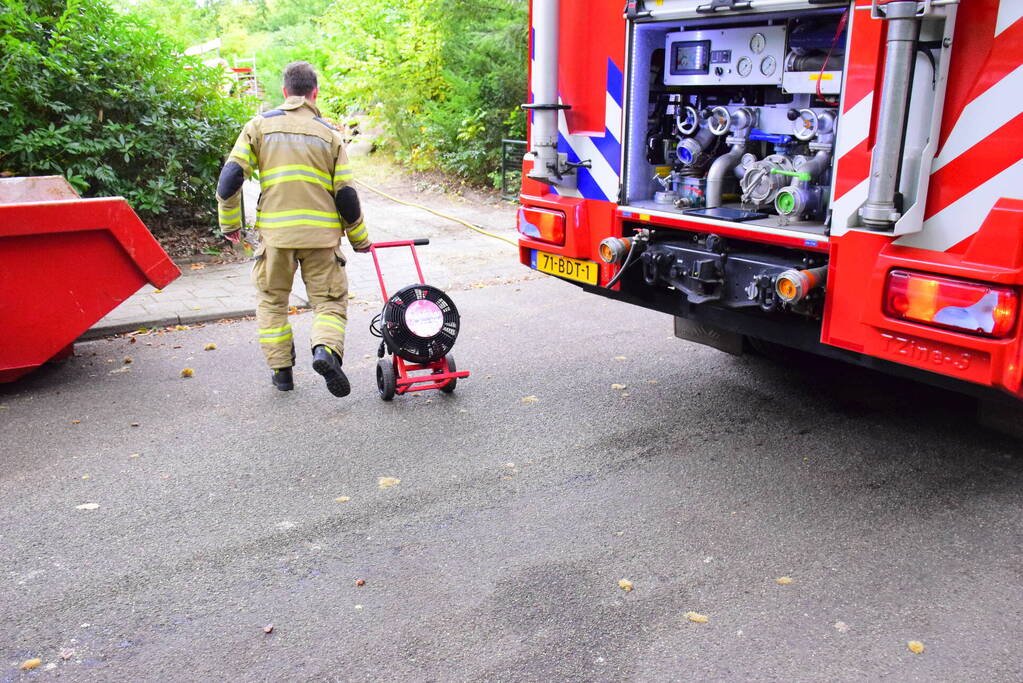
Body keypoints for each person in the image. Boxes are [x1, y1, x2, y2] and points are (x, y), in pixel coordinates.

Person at [215, 61, 370, 397]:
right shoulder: (329, 134)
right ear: (314, 93)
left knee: (272, 302)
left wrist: (229, 225)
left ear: (285, 92)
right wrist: (360, 239)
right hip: (321, 239)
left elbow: (229, 180)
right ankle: (325, 351)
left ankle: (282, 372)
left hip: (276, 238)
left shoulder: (257, 127)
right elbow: (346, 196)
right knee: (329, 303)